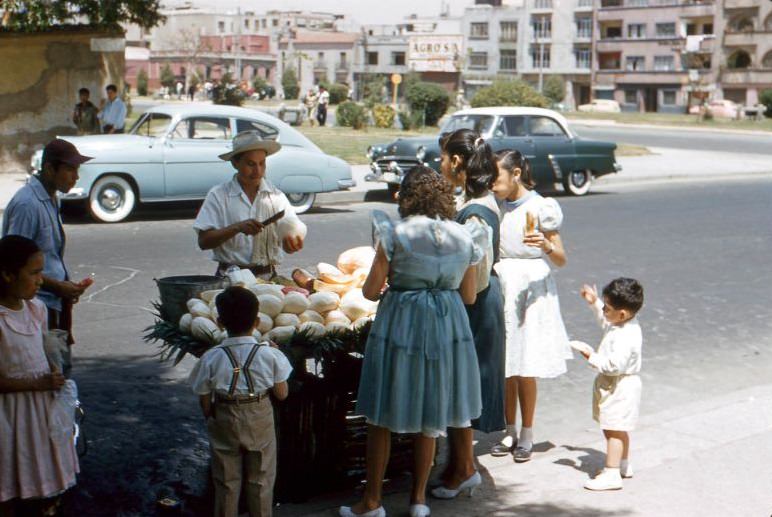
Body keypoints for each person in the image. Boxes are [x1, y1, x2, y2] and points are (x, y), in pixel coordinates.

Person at [340, 166, 484, 517]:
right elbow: (468, 296)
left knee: (382, 414)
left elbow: (371, 290)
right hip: (447, 324)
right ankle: (418, 500)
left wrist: (398, 286)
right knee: (431, 413)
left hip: (402, 323)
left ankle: (372, 501)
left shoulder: (394, 233)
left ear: (406, 197)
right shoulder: (464, 236)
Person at [432, 130, 506, 500]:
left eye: (444, 158)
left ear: (457, 162)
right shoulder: (472, 201)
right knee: (458, 387)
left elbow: (473, 275)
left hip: (474, 304)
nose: (440, 164)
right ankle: (460, 465)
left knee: (461, 388)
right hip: (473, 301)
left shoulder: (476, 213)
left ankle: (464, 469)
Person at [490, 150, 572, 463]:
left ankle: (527, 432)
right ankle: (508, 428)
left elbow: (562, 259)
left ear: (516, 174)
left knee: (526, 365)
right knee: (506, 364)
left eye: (498, 178)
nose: (493, 184)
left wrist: (547, 246)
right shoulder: (495, 206)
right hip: (504, 282)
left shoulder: (541, 207)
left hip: (531, 285)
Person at [189, 286, 292, 516]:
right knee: (262, 479)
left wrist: (211, 416)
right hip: (259, 414)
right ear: (257, 321)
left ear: (220, 322)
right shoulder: (270, 354)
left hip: (224, 413)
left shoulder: (211, 357)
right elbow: (282, 394)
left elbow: (204, 397)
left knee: (226, 481)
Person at [0, 235, 79, 516]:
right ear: (8, 275)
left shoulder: (37, 309)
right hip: (8, 418)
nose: (41, 280)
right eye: (33, 273)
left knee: (37, 477)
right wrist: (36, 383)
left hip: (38, 415)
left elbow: (42, 351)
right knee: (7, 483)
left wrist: (53, 371)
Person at [2, 139, 94, 377]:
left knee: (59, 371)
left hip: (52, 303)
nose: (75, 177)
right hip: (34, 307)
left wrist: (66, 287)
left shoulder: (52, 197)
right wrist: (57, 286)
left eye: (77, 170)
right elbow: (14, 263)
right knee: (46, 375)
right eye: (70, 170)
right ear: (50, 169)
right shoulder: (27, 204)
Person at [194, 130, 305, 279]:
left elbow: (288, 235)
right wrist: (237, 227)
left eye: (262, 163)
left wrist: (291, 244)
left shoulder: (276, 197)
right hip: (231, 279)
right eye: (251, 164)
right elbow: (204, 242)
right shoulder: (219, 195)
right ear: (235, 163)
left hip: (268, 278)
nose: (258, 171)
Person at [575, 278, 644, 491]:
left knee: (613, 429)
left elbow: (614, 365)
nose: (604, 310)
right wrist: (594, 303)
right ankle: (622, 464)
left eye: (607, 307)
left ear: (621, 314)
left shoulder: (626, 335)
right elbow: (605, 322)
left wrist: (590, 356)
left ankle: (612, 472)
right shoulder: (622, 324)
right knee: (619, 427)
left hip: (619, 386)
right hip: (618, 385)